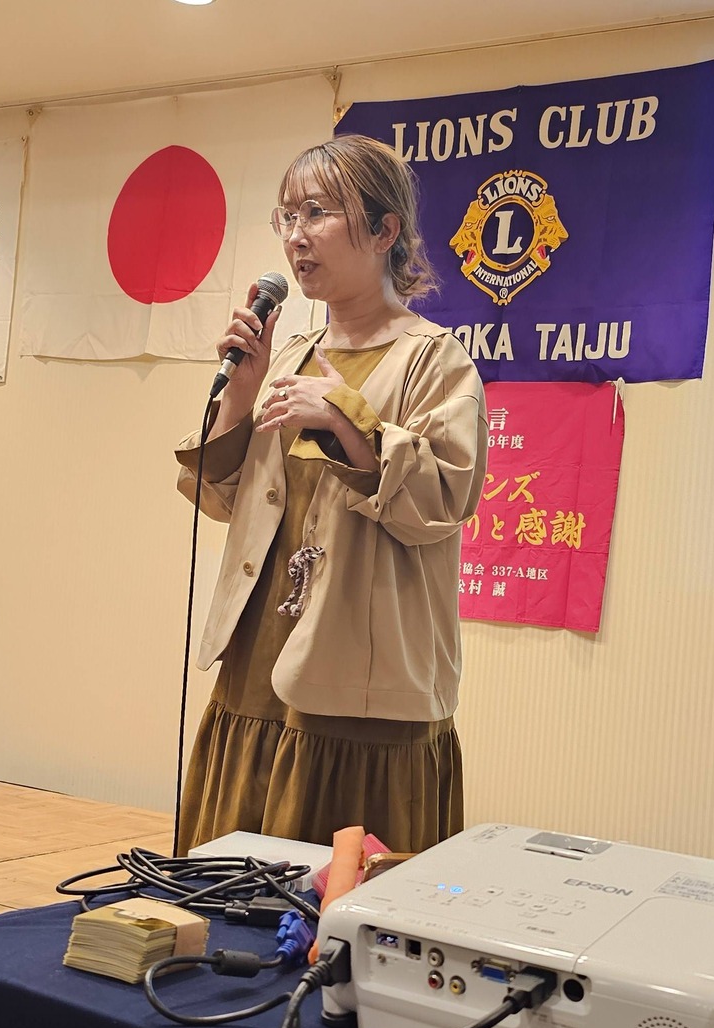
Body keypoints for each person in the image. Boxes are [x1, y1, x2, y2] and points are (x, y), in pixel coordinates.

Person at [172, 134, 488, 855]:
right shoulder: (287, 357)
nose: (295, 236)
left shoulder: (434, 360)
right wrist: (241, 394)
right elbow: (224, 499)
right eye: (286, 216)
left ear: (384, 231)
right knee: (235, 880)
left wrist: (347, 417)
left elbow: (444, 499)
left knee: (336, 886)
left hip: (363, 681)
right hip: (258, 659)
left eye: (317, 212)